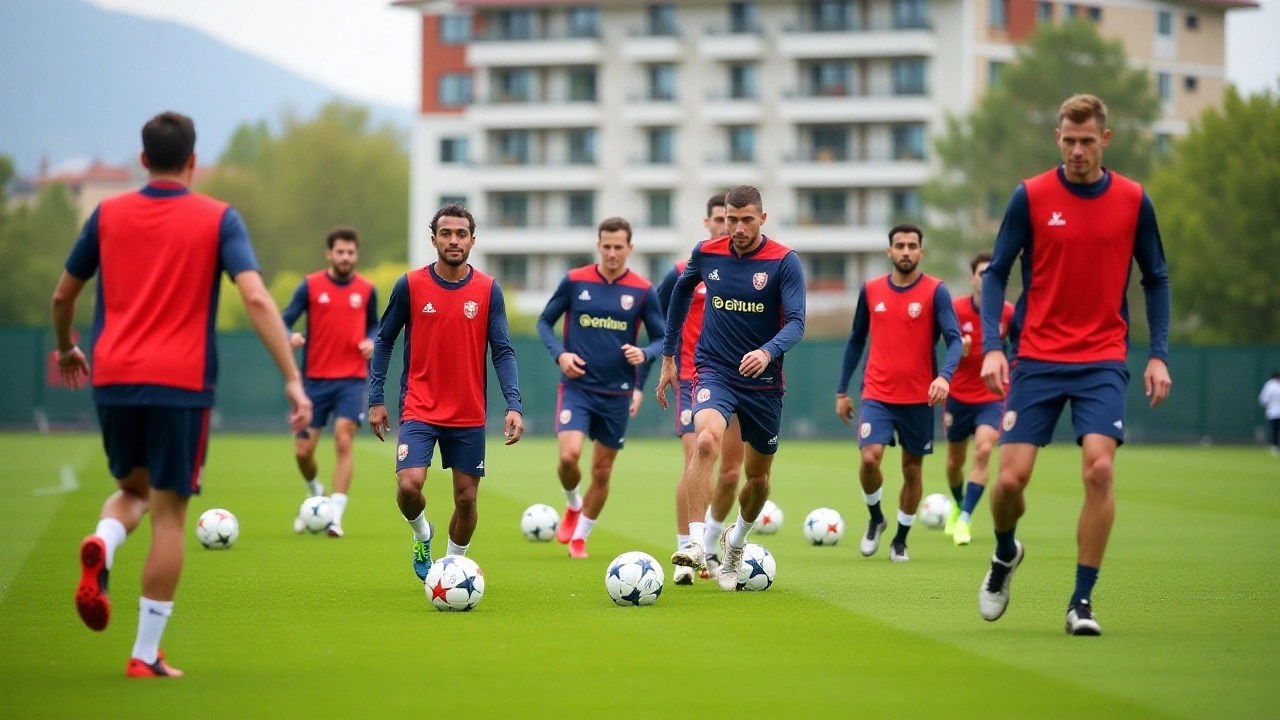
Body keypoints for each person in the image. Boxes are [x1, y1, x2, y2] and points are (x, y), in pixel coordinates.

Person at [57, 112, 311, 677]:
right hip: (181, 383)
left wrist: (67, 348)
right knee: (170, 516)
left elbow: (62, 296)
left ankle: (103, 540)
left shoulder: (107, 213)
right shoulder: (219, 218)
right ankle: (145, 654)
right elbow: (258, 300)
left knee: (132, 491)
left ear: (143, 159)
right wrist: (292, 377)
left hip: (114, 377)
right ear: (193, 162)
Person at [977, 94, 1172, 636]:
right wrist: (994, 345)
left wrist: (1158, 354)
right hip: (1036, 357)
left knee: (1100, 469)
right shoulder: (1031, 197)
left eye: (1088, 140)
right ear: (1057, 138)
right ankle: (1003, 554)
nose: (1078, 149)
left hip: (1103, 358)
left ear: (1105, 140)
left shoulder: (1134, 200)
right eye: (1069, 139)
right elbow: (996, 273)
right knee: (1009, 483)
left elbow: (1155, 277)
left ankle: (1080, 602)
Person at [658, 185, 806, 591]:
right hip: (714, 370)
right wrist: (669, 356)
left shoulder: (784, 261)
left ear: (762, 218)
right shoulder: (708, 252)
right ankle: (691, 543)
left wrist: (767, 351)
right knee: (705, 441)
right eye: (731, 219)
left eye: (746, 219)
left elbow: (796, 322)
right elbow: (680, 292)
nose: (737, 227)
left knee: (757, 480)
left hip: (764, 383)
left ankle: (736, 542)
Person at [367, 203, 523, 582]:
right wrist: (375, 399)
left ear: (472, 240)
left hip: (468, 412)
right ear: (434, 239)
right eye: (446, 234)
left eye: (461, 234)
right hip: (419, 407)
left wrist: (513, 404)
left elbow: (502, 350)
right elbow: (384, 340)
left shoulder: (488, 290)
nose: (454, 240)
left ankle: (452, 566)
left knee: (467, 500)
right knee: (408, 486)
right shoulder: (410, 285)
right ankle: (423, 534)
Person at [536, 217, 665, 559]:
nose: (611, 253)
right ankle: (573, 503)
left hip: (617, 393)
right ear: (598, 245)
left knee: (603, 471)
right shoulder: (575, 281)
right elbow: (544, 322)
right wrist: (560, 355)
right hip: (577, 387)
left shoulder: (642, 289)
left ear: (629, 248)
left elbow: (662, 337)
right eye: (606, 246)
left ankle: (580, 537)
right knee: (568, 456)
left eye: (618, 247)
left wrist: (645, 353)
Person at [835, 223, 962, 563]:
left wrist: (945, 376)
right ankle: (876, 517)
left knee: (911, 471)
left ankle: (900, 540)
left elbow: (955, 340)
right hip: (877, 392)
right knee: (869, 458)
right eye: (900, 245)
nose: (906, 251)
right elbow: (856, 339)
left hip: (920, 397)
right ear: (889, 251)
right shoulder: (872, 289)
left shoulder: (936, 291)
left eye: (912, 245)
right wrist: (841, 391)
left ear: (921, 251)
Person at [655, 193, 747, 584]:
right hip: (697, 377)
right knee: (698, 452)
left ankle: (709, 544)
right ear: (708, 222)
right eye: (720, 220)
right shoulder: (686, 269)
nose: (727, 227)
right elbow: (661, 309)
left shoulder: (751, 269)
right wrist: (668, 355)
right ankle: (686, 551)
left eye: (733, 221)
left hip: (746, 379)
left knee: (730, 473)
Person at [282, 226, 378, 537]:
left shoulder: (366, 289)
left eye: (351, 252)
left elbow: (376, 326)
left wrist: (372, 341)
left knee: (343, 439)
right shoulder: (310, 286)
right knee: (302, 452)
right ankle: (315, 494)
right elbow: (283, 321)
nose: (346, 257)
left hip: (350, 380)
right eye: (340, 252)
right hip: (314, 382)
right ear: (330, 254)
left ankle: (334, 515)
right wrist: (289, 336)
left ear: (356, 254)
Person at [943, 251, 1014, 546]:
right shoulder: (956, 310)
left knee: (984, 451)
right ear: (973, 278)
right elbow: (941, 343)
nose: (987, 279)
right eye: (982, 273)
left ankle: (965, 518)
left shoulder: (1008, 312)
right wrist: (958, 348)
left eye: (992, 273)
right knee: (953, 463)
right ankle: (959, 502)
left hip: (992, 395)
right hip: (958, 395)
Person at [1260, 371, 1280, 456]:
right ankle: (1274, 447)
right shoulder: (1270, 386)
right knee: (1274, 430)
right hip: (1273, 412)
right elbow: (1263, 399)